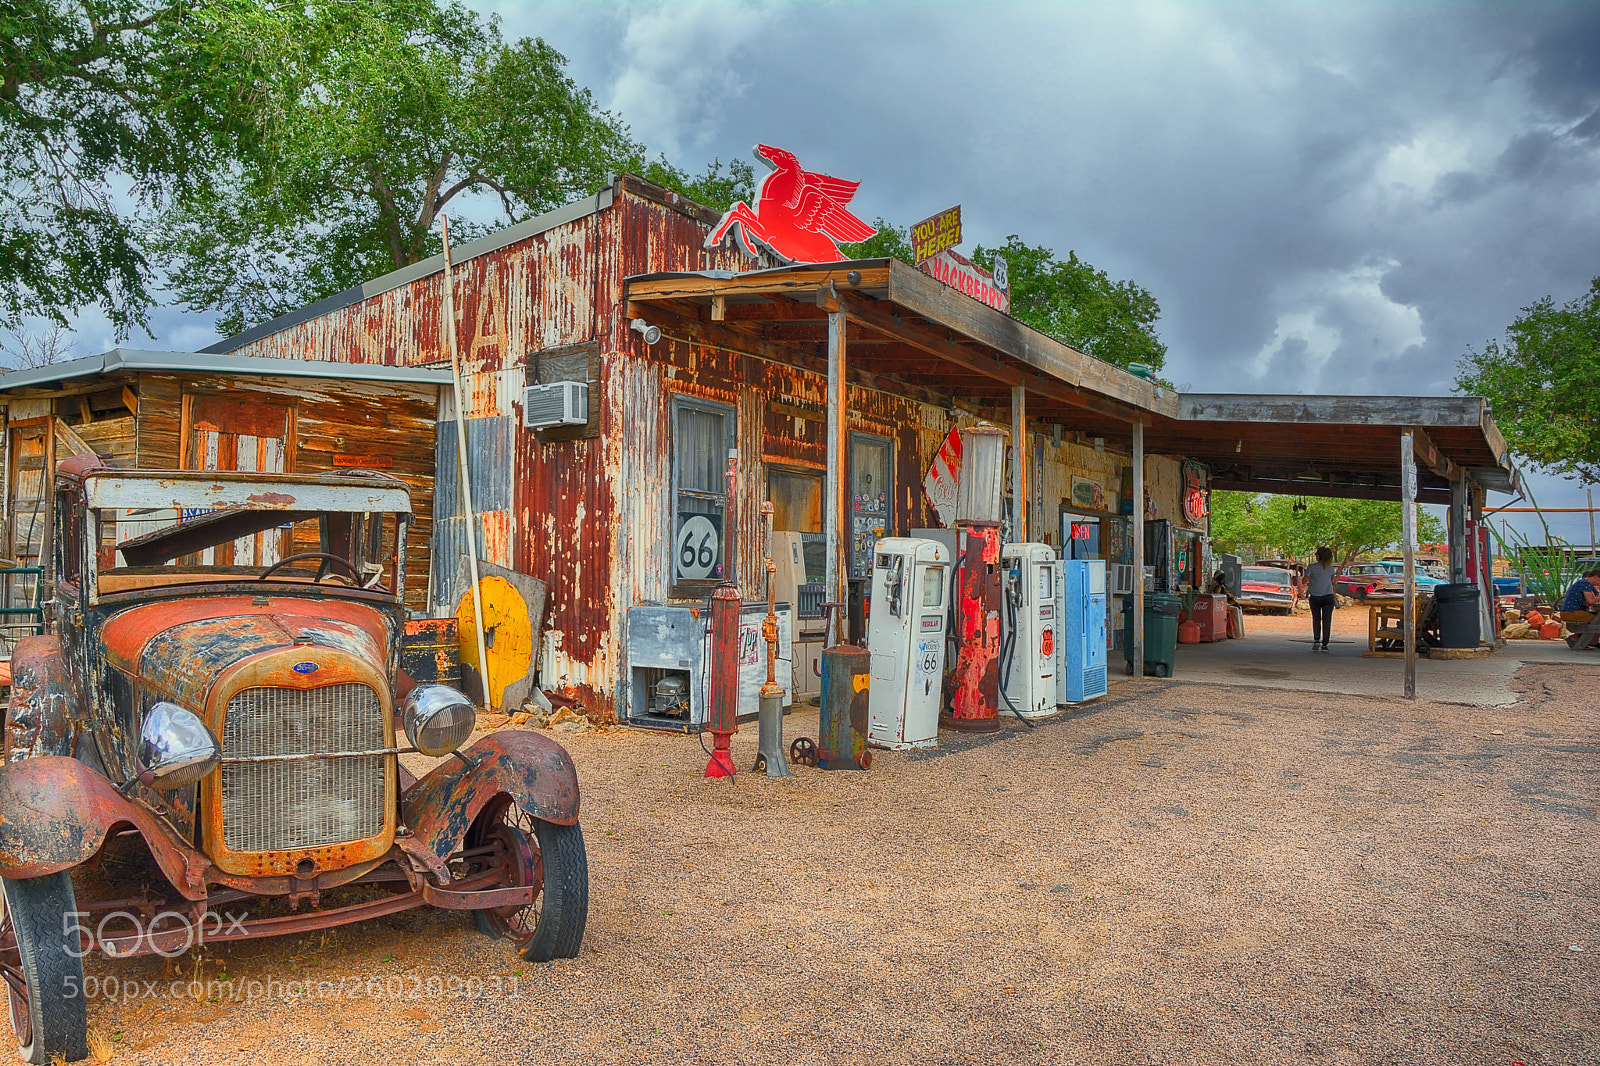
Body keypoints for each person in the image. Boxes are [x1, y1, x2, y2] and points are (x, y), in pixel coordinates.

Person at [1305, 546, 1338, 651]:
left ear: (1319, 556)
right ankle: (1325, 644)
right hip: (1328, 596)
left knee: (1316, 619)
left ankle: (1316, 640)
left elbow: (1304, 581)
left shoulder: (1312, 567)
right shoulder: (1331, 568)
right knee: (1327, 620)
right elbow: (1331, 581)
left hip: (1315, 596)